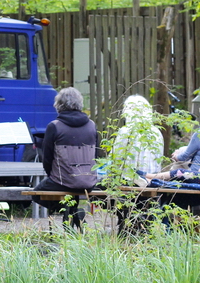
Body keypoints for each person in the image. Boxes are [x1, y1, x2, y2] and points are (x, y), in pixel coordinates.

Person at [32, 87, 102, 230]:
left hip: (61, 181)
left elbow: (47, 158)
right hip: (89, 182)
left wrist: (52, 175)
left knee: (36, 194)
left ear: (59, 105)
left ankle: (67, 211)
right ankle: (74, 212)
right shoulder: (92, 126)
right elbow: (97, 156)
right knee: (74, 188)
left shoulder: (55, 126)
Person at [146, 99, 200, 181]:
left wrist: (176, 155)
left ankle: (167, 184)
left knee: (178, 161)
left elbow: (184, 157)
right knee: (182, 150)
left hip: (198, 174)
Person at [107, 95, 164, 182]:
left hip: (130, 180)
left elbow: (115, 160)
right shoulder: (156, 132)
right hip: (153, 179)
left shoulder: (126, 131)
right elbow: (159, 160)